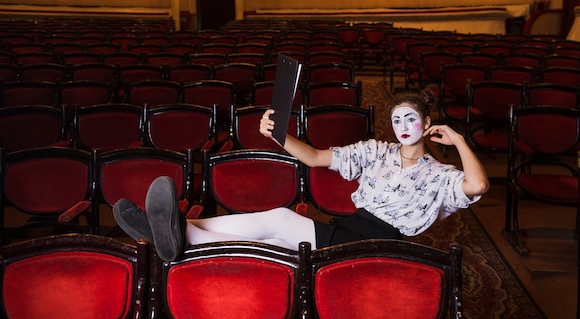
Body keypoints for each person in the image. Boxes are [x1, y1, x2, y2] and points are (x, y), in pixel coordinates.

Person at [113, 90, 489, 261]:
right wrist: (279, 135)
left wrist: (457, 141)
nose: (403, 126)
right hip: (350, 226)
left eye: (411, 119)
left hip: (382, 242)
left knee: (279, 219)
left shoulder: (441, 175)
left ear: (426, 124)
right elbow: (313, 157)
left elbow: (477, 185)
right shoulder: (377, 152)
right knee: (276, 244)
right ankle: (176, 231)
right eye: (396, 120)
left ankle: (177, 230)